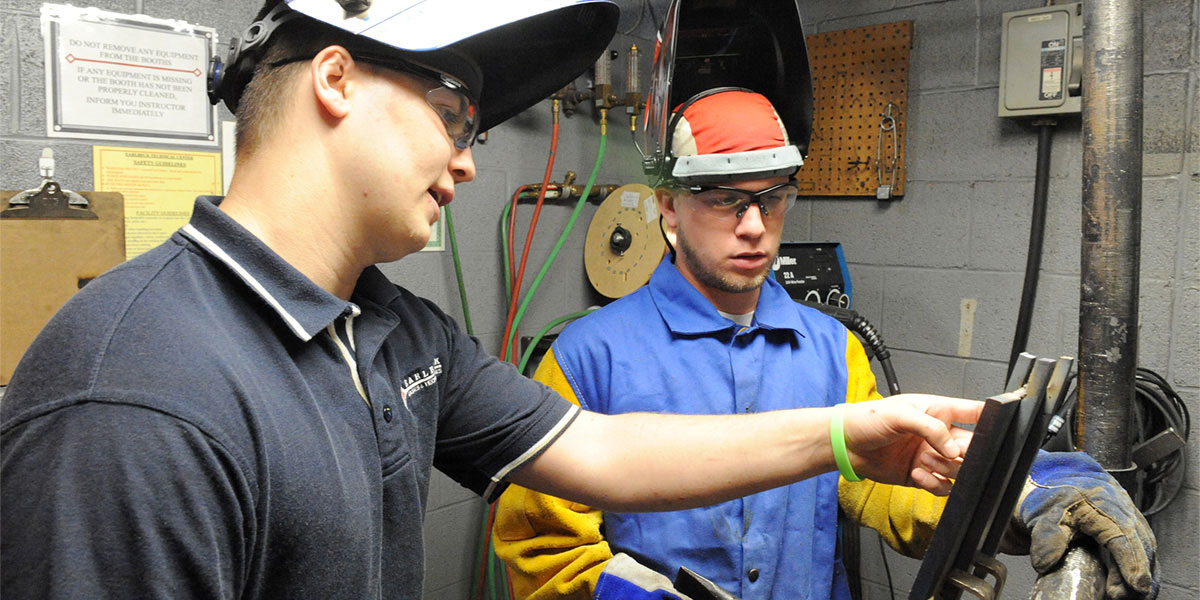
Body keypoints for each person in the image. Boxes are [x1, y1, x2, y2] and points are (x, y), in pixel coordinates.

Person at [0, 2, 986, 599]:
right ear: (336, 79)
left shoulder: (390, 332)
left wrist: (858, 434)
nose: (469, 161)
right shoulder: (132, 394)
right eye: (455, 115)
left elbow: (603, 452)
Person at [493, 89, 1158, 600]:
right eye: (724, 200)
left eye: (773, 198)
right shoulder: (587, 358)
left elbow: (895, 487)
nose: (754, 227)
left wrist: (1015, 490)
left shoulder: (831, 349)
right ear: (668, 210)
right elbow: (544, 547)